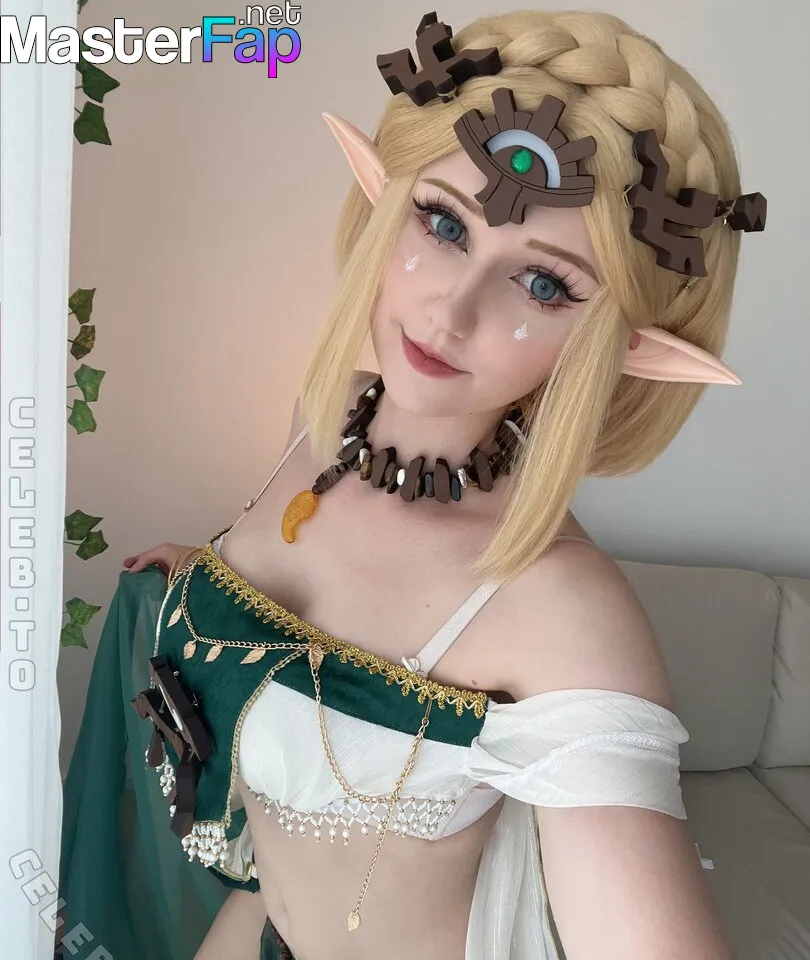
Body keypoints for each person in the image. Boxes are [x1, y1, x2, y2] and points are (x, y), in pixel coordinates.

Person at [123, 9, 766, 959]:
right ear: (387, 202)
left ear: (622, 349)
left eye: (543, 285)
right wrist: (209, 575)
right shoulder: (321, 416)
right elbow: (304, 617)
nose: (450, 312)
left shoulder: (561, 608)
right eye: (442, 222)